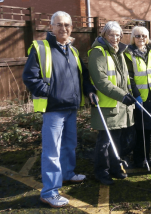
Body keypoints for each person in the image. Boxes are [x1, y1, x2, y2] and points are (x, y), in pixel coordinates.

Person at [22, 11, 96, 208]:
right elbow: (30, 77)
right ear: (51, 27)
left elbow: (83, 76)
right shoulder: (41, 48)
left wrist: (89, 91)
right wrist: (50, 93)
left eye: (67, 24)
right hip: (54, 108)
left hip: (71, 107)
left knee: (69, 145)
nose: (63, 28)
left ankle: (67, 174)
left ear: (71, 28)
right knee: (51, 151)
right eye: (59, 24)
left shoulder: (72, 50)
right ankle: (49, 192)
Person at [88, 21, 135, 185]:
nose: (115, 38)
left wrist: (129, 94)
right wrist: (122, 96)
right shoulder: (98, 52)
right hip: (107, 105)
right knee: (104, 142)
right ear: (104, 35)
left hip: (119, 106)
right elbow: (101, 81)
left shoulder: (119, 51)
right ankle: (102, 172)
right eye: (111, 34)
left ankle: (115, 168)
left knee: (117, 141)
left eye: (118, 35)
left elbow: (124, 79)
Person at [125, 26, 151, 168]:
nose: (141, 38)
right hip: (138, 99)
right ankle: (138, 160)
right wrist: (136, 96)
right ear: (132, 38)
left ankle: (147, 158)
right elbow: (129, 77)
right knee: (138, 131)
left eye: (143, 35)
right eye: (137, 36)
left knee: (147, 131)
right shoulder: (128, 53)